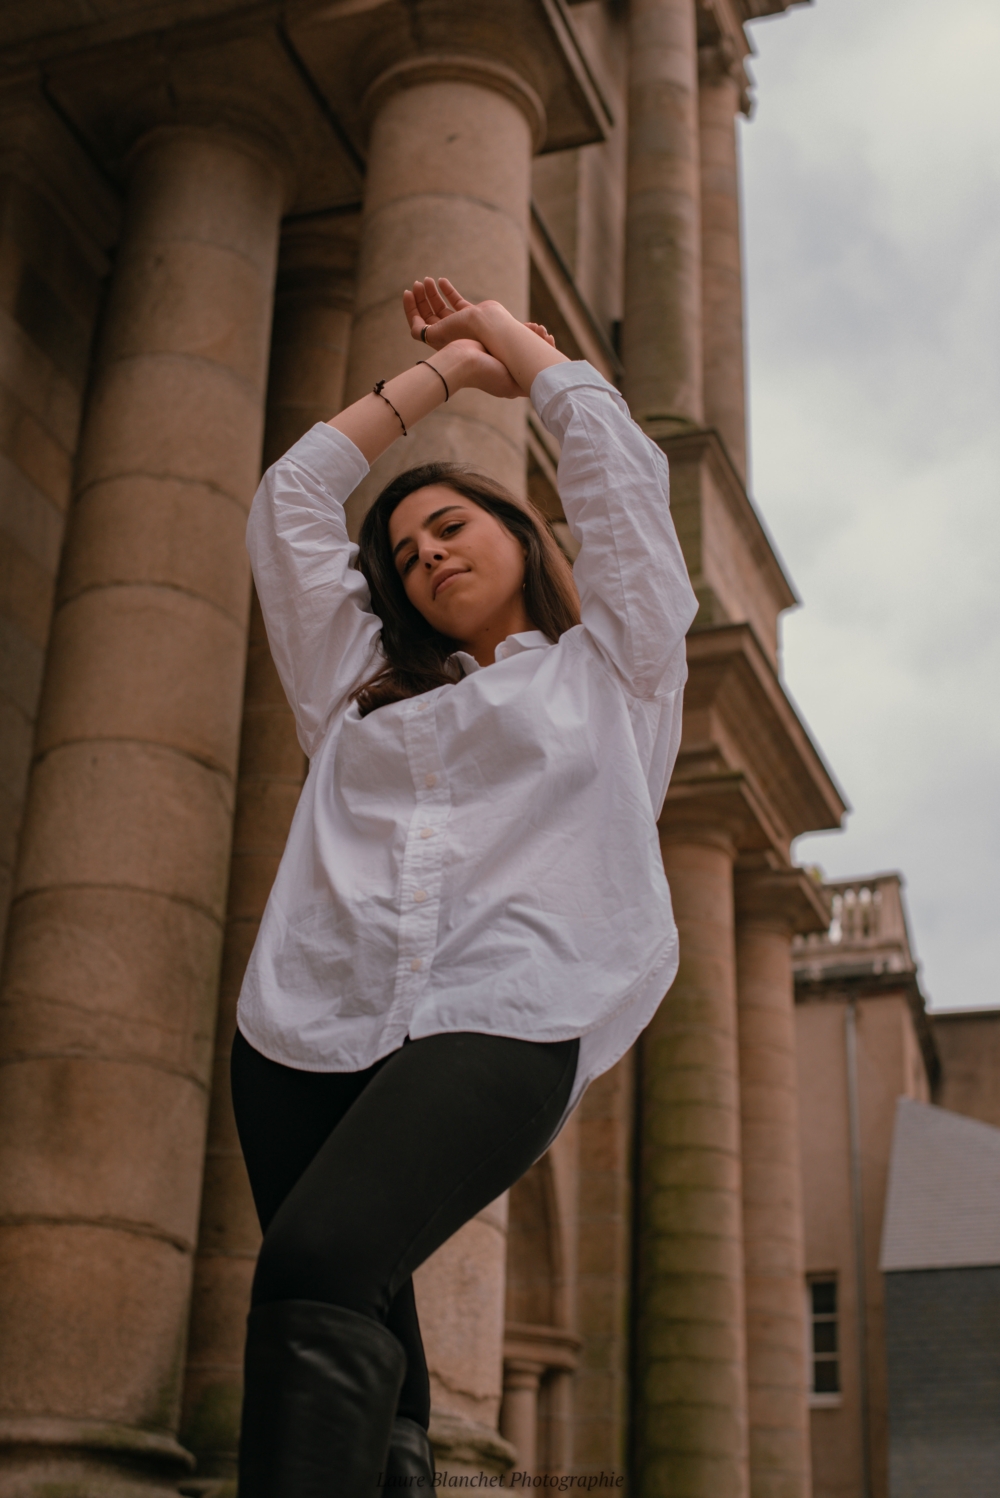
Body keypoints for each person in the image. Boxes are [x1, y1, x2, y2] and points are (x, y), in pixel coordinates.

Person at [231, 277, 699, 1496]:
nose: (426, 551)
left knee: (313, 1263)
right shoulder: (355, 684)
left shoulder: (614, 669)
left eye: (449, 525)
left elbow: (622, 487)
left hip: (508, 1004)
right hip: (302, 1025)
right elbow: (288, 500)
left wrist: (514, 351)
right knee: (376, 1333)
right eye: (403, 550)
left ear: (519, 534)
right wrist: (429, 382)